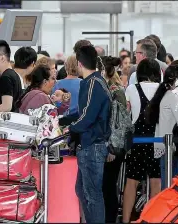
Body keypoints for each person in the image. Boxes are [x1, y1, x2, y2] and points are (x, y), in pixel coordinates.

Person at [69, 45, 111, 223]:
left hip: (92, 144)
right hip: (90, 144)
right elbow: (84, 113)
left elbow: (88, 117)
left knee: (92, 194)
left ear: (79, 63)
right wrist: (64, 120)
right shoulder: (96, 82)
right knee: (82, 190)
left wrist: (69, 128)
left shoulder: (93, 83)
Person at [122, 58, 162, 223]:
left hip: (137, 142)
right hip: (157, 141)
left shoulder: (132, 89)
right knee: (155, 183)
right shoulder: (163, 89)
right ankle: (152, 219)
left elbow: (126, 114)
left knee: (131, 183)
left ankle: (125, 220)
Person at [98, 56, 128, 223]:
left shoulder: (115, 91)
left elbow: (118, 123)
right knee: (105, 187)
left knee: (109, 187)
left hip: (113, 147)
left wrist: (112, 148)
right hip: (107, 144)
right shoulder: (108, 89)